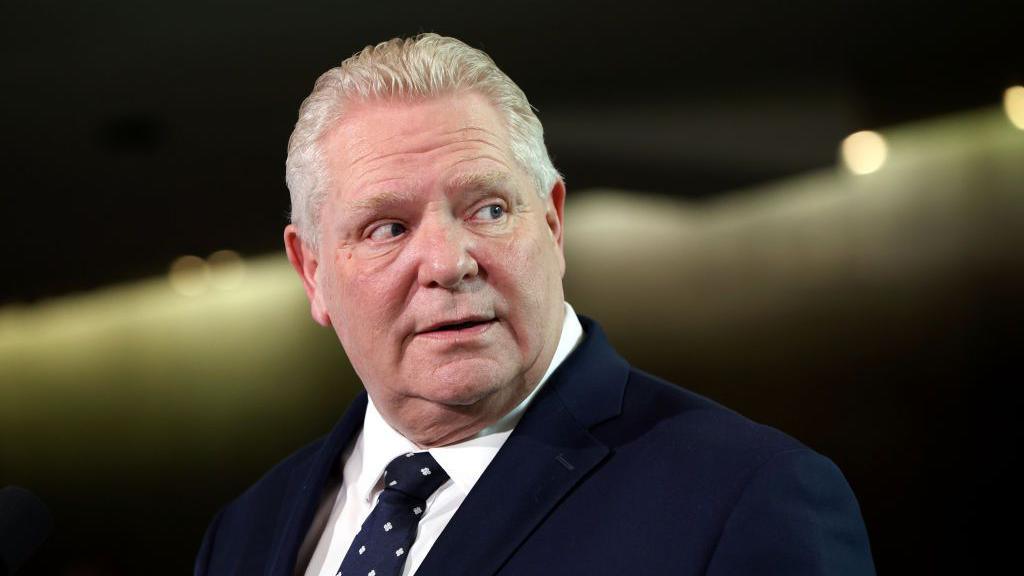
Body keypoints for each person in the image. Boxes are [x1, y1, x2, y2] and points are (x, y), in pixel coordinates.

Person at [195, 33, 875, 576]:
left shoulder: (747, 495)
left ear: (552, 224)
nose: (449, 263)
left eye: (489, 208)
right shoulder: (244, 534)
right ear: (312, 272)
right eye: (388, 228)